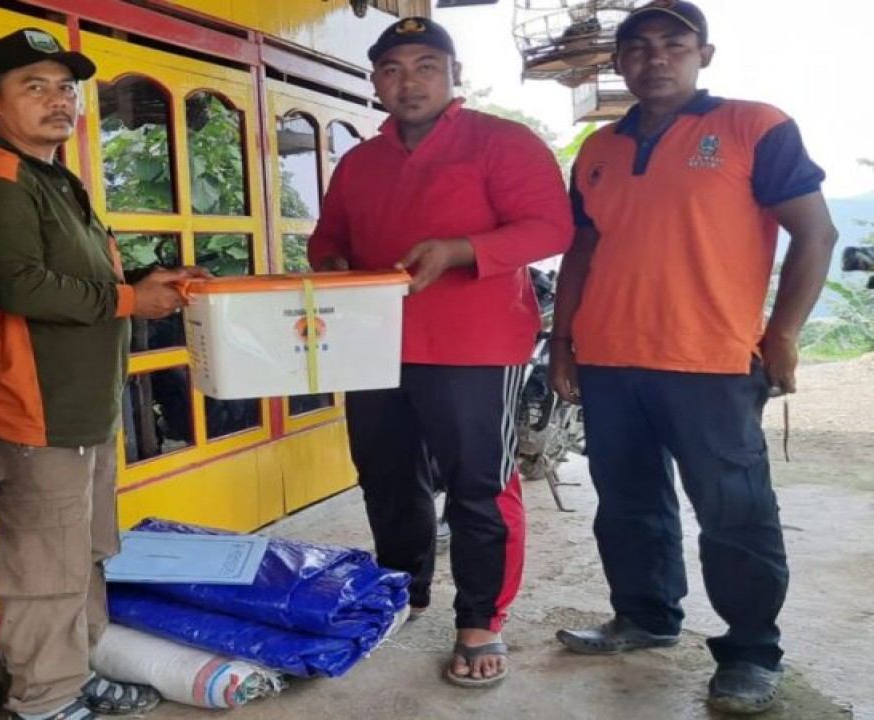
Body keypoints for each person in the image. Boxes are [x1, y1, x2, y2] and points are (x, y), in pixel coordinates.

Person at [549, 2, 838, 714]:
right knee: (627, 504)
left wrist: (784, 334)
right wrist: (564, 340)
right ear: (618, 63)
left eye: (674, 45)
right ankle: (645, 617)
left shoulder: (753, 126)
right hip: (612, 359)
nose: (656, 58)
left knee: (734, 514)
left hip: (711, 361)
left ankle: (750, 652)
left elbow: (817, 234)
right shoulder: (598, 149)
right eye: (638, 48)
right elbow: (582, 249)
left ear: (704, 54)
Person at [307, 16, 572, 688]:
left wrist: (460, 251)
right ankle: (403, 589)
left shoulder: (501, 142)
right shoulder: (359, 162)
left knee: (477, 488)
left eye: (426, 65)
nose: (408, 81)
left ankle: (481, 619)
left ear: (453, 75)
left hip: (475, 347)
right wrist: (337, 265)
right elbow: (326, 239)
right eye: (392, 69)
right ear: (376, 83)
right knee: (387, 476)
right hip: (374, 346)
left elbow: (550, 226)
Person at [0, 28, 202, 720]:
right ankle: (43, 701)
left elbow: (83, 277)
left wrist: (150, 281)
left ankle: (79, 672)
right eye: (33, 86)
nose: (58, 100)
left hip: (83, 409)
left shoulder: (56, 177)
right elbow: (21, 287)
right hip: (37, 413)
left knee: (84, 555)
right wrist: (131, 299)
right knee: (44, 568)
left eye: (66, 87)